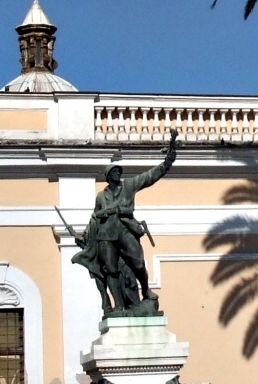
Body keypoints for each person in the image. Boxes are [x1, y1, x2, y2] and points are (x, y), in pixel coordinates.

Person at [70, 131, 178, 315]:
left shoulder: (129, 186)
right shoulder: (101, 197)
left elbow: (149, 177)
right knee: (110, 270)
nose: (118, 173)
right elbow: (95, 218)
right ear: (108, 176)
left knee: (138, 263)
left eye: (118, 171)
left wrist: (167, 161)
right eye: (114, 171)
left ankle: (145, 290)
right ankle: (118, 306)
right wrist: (85, 236)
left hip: (125, 231)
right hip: (106, 236)